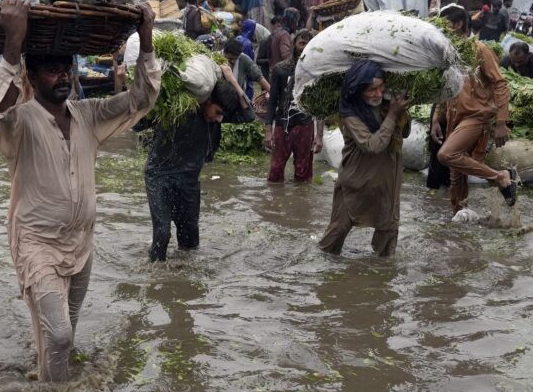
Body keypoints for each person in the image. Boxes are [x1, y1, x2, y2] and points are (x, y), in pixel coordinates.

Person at [0, 0, 160, 382]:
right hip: (37, 243)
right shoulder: (20, 122)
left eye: (67, 68)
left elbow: (142, 99)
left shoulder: (88, 115)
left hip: (81, 241)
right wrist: (13, 44)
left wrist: (145, 40)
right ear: (32, 74)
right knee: (60, 335)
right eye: (52, 70)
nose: (63, 77)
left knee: (68, 331)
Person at [142, 79, 253, 262]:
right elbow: (139, 123)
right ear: (207, 101)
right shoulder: (178, 109)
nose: (219, 119)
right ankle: (154, 275)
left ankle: (184, 277)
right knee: (162, 233)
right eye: (217, 113)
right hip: (159, 176)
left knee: (190, 240)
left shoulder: (214, 119)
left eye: (222, 115)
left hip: (189, 181)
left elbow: (249, 115)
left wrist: (231, 79)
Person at [318, 61, 410, 257]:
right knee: (337, 231)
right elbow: (372, 146)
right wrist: (393, 115)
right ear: (358, 91)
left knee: (388, 232)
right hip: (355, 181)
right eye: (371, 89)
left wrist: (401, 111)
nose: (377, 94)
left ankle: (381, 277)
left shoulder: (388, 105)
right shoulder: (350, 115)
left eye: (380, 88)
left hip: (386, 181)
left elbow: (406, 133)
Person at [433, 5, 517, 213]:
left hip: (476, 115)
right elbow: (445, 88)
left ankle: (501, 177)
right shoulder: (448, 54)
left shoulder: (479, 50)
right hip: (454, 116)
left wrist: (501, 121)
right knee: (456, 175)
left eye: (445, 25)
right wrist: (437, 118)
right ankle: (460, 217)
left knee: (446, 155)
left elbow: (500, 83)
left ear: (458, 24)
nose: (441, 30)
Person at [265, 29, 323, 183]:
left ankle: (301, 204)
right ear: (294, 45)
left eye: (308, 44)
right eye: (301, 43)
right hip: (283, 124)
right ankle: (275, 203)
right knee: (275, 171)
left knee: (303, 173)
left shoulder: (315, 71)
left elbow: (319, 104)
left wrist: (319, 136)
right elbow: (272, 102)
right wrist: (268, 131)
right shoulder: (280, 69)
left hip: (305, 125)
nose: (304, 47)